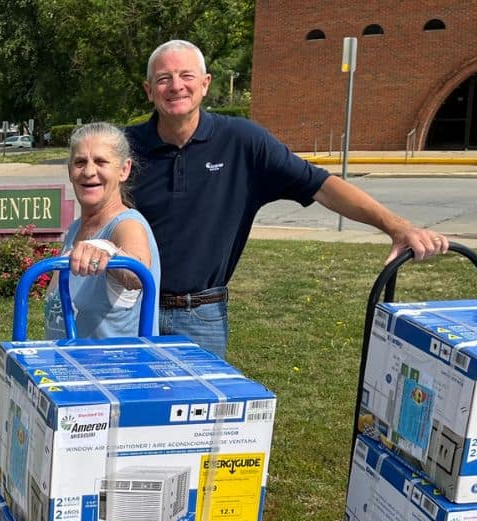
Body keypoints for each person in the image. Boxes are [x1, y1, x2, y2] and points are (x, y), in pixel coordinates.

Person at [124, 40, 448, 358]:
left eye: (186, 75)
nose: (176, 86)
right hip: (128, 307)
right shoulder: (124, 146)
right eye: (163, 78)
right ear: (149, 90)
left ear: (205, 84)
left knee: (196, 408)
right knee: (124, 405)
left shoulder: (242, 142)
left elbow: (322, 185)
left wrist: (396, 226)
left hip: (200, 314)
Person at [44, 122, 160, 340]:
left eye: (101, 162)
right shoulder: (77, 228)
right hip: (68, 369)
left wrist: (107, 250)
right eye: (80, 162)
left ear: (124, 170)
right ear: (70, 170)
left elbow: (137, 273)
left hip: (112, 370)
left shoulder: (127, 225)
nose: (88, 171)